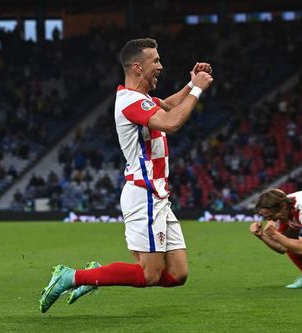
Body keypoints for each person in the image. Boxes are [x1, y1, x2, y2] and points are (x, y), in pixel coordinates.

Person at [39, 37, 214, 313]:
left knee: (178, 274)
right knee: (149, 274)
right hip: (143, 193)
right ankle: (72, 277)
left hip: (157, 195)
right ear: (137, 67)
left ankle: (97, 275)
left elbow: (166, 105)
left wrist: (192, 84)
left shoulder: (142, 100)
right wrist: (198, 92)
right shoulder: (129, 101)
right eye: (155, 61)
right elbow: (171, 122)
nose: (161, 65)